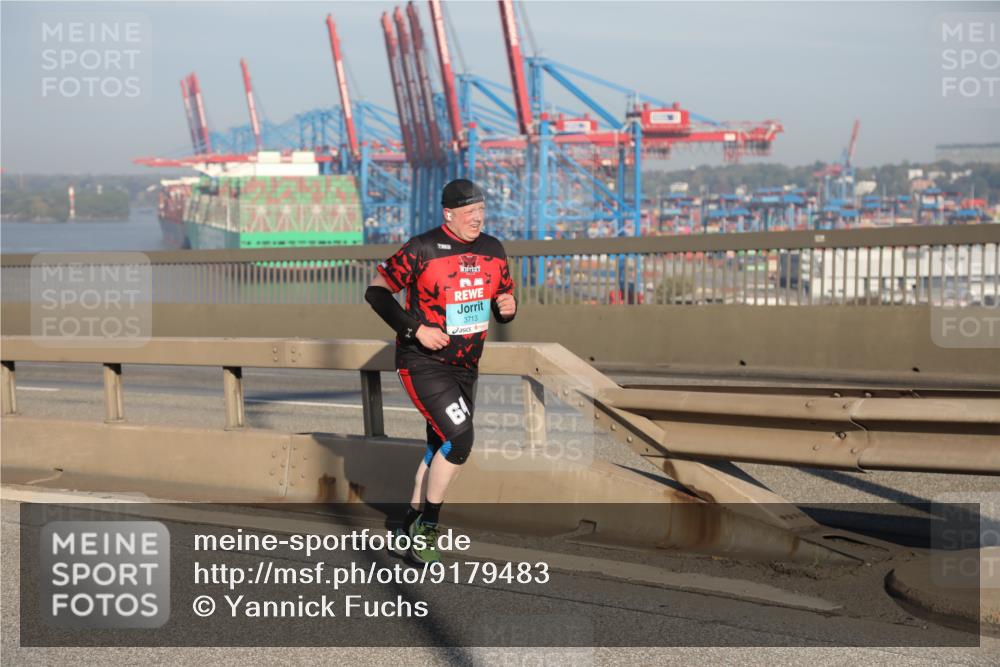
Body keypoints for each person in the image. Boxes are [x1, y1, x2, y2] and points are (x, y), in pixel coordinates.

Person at [364, 179, 517, 565]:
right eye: (469, 213)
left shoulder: (493, 250)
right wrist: (415, 329)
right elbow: (376, 292)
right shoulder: (422, 247)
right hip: (422, 363)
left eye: (481, 211)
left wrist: (508, 307)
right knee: (461, 438)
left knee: (440, 447)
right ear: (448, 214)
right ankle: (428, 527)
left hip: (466, 367)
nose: (477, 218)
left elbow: (502, 298)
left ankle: (406, 525)